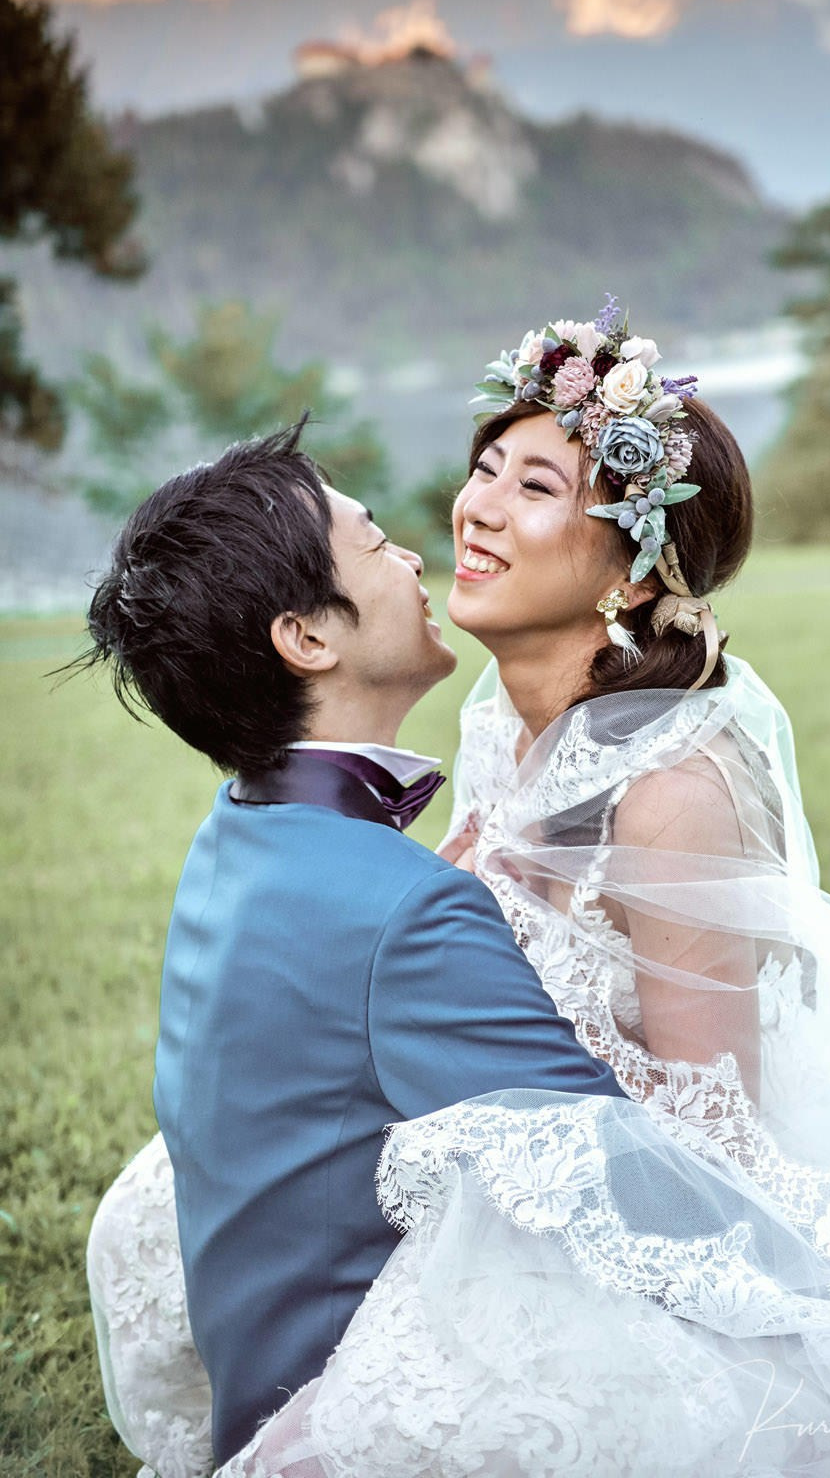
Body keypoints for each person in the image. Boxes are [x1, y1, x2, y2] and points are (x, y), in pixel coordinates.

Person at [89, 306, 830, 1477]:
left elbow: (718, 1145)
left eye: (536, 487)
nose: (471, 510)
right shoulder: (500, 715)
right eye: (484, 467)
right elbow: (452, 918)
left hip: (669, 1182)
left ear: (628, 563)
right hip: (512, 1123)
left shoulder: (671, 793)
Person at [77, 421, 626, 1471]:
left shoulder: (240, 827)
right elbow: (610, 1181)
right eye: (374, 543)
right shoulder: (404, 910)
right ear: (308, 638)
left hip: (256, 1349)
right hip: (343, 1412)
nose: (415, 555)